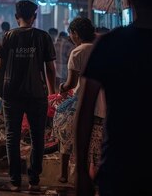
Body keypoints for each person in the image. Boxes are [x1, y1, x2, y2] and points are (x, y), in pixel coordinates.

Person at [76, 0, 152, 196]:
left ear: (129, 0)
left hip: (118, 167)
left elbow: (85, 109)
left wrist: (81, 171)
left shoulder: (109, 44)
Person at [0, 1, 56, 192]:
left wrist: (0, 90)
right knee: (37, 136)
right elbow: (51, 69)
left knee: (12, 136)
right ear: (35, 16)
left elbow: (0, 67)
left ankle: (14, 181)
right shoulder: (43, 37)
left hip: (11, 93)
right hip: (37, 93)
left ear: (16, 17)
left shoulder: (9, 36)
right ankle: (34, 182)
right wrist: (51, 91)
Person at [53, 17, 100, 184]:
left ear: (75, 34)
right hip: (101, 103)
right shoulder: (99, 48)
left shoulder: (77, 51)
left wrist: (62, 88)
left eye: (71, 34)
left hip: (81, 100)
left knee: (63, 131)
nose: (71, 37)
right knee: (93, 143)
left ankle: (64, 174)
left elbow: (72, 82)